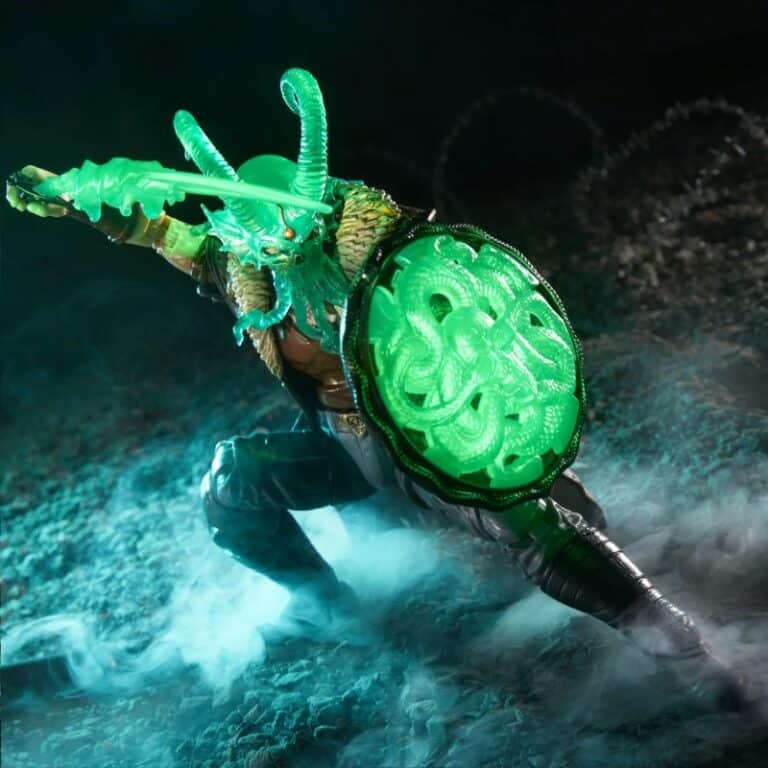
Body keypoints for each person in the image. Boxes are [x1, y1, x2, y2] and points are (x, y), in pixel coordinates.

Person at [6, 68, 750, 710]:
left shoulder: (371, 244)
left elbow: (452, 319)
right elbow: (157, 229)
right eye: (259, 240)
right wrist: (77, 196)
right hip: (340, 445)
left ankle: (684, 650)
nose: (277, 247)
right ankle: (328, 609)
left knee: (534, 527)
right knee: (233, 480)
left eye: (287, 230)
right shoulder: (244, 266)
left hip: (429, 434)